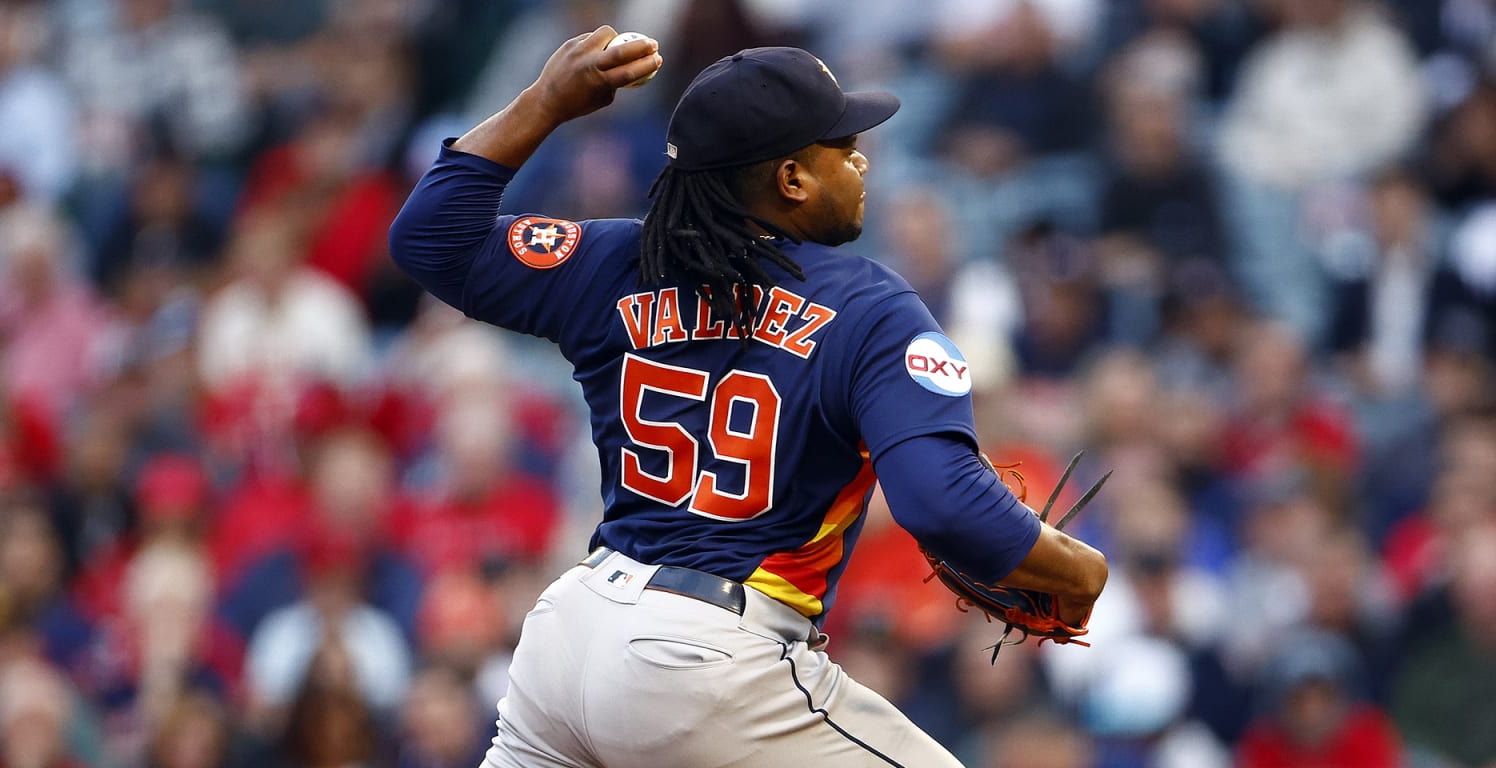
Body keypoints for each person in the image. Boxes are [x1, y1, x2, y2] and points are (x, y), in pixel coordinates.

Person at [389, 27, 1108, 768]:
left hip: (569, 636)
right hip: (709, 657)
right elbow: (943, 505)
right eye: (843, 147)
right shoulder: (870, 308)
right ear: (792, 179)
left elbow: (429, 239)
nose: (862, 161)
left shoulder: (618, 262)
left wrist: (544, 104)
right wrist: (1081, 571)